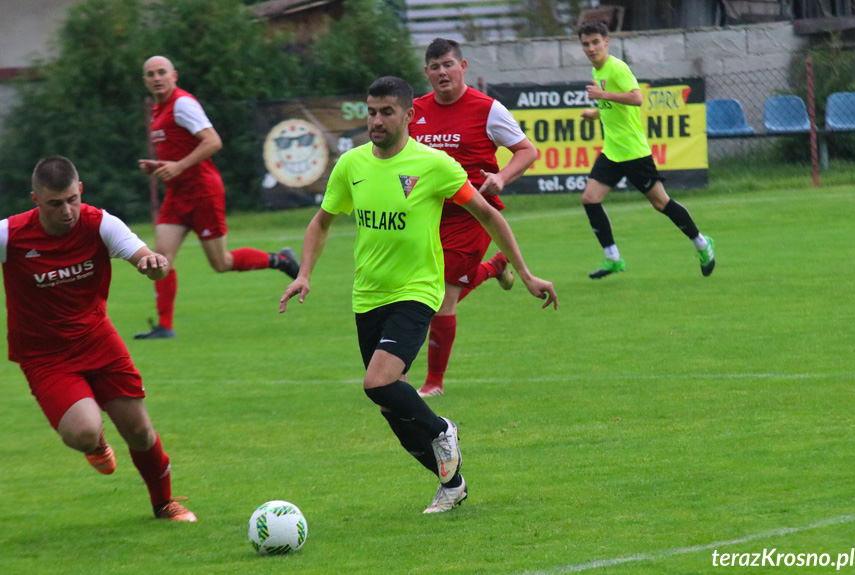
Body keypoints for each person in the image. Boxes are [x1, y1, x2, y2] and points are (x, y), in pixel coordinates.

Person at [279, 77, 557, 514]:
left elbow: (488, 215)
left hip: (417, 292)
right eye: (371, 112)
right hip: (368, 295)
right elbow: (322, 222)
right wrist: (305, 274)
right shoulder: (351, 165)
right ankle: (452, 484)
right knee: (393, 406)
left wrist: (524, 273)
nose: (376, 120)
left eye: (386, 112)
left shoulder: (434, 165)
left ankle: (442, 428)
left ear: (409, 115)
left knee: (378, 383)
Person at [1, 156, 196, 521]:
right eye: (55, 204)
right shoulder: (10, 235)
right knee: (84, 433)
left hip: (97, 341)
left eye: (72, 199)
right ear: (35, 200)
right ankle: (97, 443)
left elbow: (148, 260)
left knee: (139, 430)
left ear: (81, 191)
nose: (67, 211)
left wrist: (154, 265)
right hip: (45, 357)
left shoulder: (101, 224)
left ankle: (164, 503)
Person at [409, 38, 540, 397]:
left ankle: (433, 382)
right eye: (435, 67)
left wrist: (501, 178)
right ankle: (494, 267)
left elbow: (527, 151)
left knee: (440, 300)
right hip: (427, 217)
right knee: (421, 294)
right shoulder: (414, 111)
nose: (442, 72)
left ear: (463, 67)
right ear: (427, 72)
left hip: (473, 215)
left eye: (448, 64)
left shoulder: (488, 109)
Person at [136, 55, 300, 339]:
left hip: (203, 192)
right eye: (151, 74)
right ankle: (165, 327)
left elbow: (213, 141)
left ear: (174, 76)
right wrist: (161, 167)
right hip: (177, 195)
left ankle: (281, 260)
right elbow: (177, 152)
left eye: (162, 72)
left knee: (221, 263)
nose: (156, 78)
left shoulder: (183, 104)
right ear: (145, 81)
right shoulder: (158, 110)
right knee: (161, 259)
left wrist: (178, 166)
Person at [578, 21, 715, 279]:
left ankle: (702, 243)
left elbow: (636, 97)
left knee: (661, 203)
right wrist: (595, 114)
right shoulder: (597, 71)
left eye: (596, 42)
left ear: (607, 42)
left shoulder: (616, 68)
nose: (591, 48)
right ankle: (613, 258)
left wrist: (602, 96)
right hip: (612, 151)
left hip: (633, 152)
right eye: (586, 44)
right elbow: (615, 108)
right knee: (590, 199)